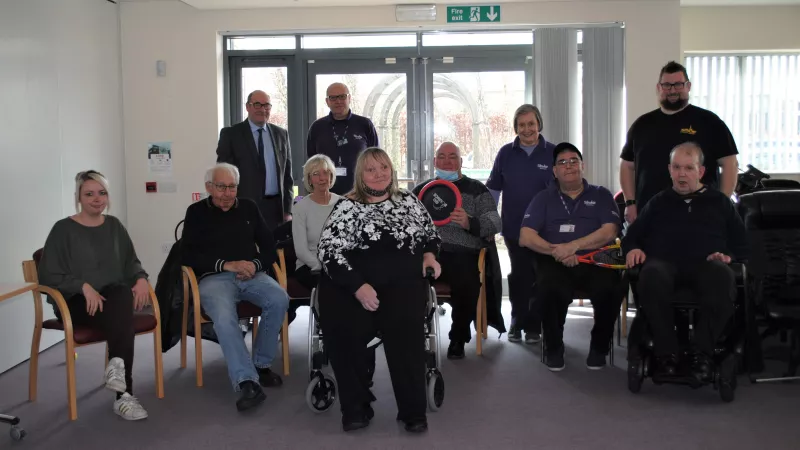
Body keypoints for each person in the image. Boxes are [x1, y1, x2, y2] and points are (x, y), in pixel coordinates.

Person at [317, 147, 441, 433]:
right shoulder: (347, 206)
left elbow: (430, 235)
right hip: (355, 285)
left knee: (406, 331)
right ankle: (356, 407)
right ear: (360, 174)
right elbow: (329, 251)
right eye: (370, 169)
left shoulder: (408, 200)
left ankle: (412, 410)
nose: (378, 174)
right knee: (344, 330)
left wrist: (429, 255)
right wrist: (358, 286)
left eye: (383, 167)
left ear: (391, 170)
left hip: (402, 285)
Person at [622, 142, 748, 379]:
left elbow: (742, 245)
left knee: (723, 275)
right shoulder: (658, 202)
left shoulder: (720, 203)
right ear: (669, 169)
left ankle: (701, 355)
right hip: (665, 266)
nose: (682, 174)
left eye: (689, 168)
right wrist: (633, 249)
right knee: (650, 274)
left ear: (700, 172)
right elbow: (632, 237)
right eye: (677, 167)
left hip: (707, 266)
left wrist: (728, 256)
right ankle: (666, 354)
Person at [38, 170, 149, 420]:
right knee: (122, 318)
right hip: (74, 302)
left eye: (102, 193)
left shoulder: (114, 226)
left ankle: (118, 378)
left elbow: (131, 262)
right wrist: (83, 286)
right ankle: (124, 396)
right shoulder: (62, 229)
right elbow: (47, 275)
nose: (97, 199)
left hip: (111, 300)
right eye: (89, 194)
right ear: (78, 197)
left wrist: (141, 278)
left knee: (121, 294)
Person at [181, 163, 290, 412]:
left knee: (280, 299)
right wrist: (225, 265)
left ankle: (261, 365)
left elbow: (270, 247)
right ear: (209, 187)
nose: (227, 194)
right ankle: (246, 381)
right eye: (221, 187)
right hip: (214, 278)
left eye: (232, 187)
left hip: (251, 274)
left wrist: (254, 264)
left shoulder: (249, 207)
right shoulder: (196, 212)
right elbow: (187, 255)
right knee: (224, 315)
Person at [519, 143, 624, 371]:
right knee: (548, 288)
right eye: (562, 162)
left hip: (594, 260)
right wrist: (557, 251)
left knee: (612, 287)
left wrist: (574, 246)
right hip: (554, 260)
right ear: (554, 171)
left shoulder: (601, 194)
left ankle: (599, 347)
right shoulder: (543, 198)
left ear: (582, 165)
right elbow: (526, 236)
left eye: (574, 160)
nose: (569, 166)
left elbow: (610, 231)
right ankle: (554, 348)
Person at [620, 61, 739, 224]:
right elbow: (627, 166)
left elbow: (729, 163)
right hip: (650, 215)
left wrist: (722, 203)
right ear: (658, 87)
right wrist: (630, 203)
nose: (672, 90)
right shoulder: (642, 124)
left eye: (678, 84)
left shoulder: (709, 122)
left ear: (688, 86)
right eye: (667, 85)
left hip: (700, 215)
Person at [412, 142, 501, 359]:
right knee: (406, 280)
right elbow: (405, 222)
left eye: (453, 157)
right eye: (441, 156)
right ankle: (415, 336)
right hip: (426, 253)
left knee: (468, 283)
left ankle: (458, 338)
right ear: (435, 162)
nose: (447, 161)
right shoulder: (421, 190)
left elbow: (495, 223)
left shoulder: (477, 189)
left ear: (461, 162)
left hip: (463, 252)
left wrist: (470, 223)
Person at [486, 104, 555, 344]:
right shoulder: (505, 153)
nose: (527, 129)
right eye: (522, 125)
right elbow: (493, 190)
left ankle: (534, 325)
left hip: (546, 232)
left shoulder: (553, 153)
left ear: (539, 125)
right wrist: (487, 220)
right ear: (516, 127)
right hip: (514, 227)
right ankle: (517, 320)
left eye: (531, 124)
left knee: (542, 277)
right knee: (519, 276)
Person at [216, 90, 294, 230]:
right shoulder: (231, 134)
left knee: (273, 250)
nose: (262, 109)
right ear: (247, 106)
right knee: (245, 250)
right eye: (257, 104)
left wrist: (288, 210)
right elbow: (223, 174)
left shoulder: (281, 134)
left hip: (275, 210)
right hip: (242, 208)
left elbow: (287, 176)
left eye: (267, 105)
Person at [306, 82, 379, 195]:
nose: (338, 101)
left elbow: (375, 159)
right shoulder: (317, 127)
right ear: (327, 101)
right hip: (326, 194)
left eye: (342, 96)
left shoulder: (365, 124)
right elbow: (311, 163)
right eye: (333, 98)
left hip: (360, 192)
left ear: (349, 98)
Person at [292, 154, 341, 290]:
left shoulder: (343, 204)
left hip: (339, 263)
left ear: (331, 176)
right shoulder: (300, 208)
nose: (321, 178)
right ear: (309, 179)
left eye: (325, 173)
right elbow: (301, 251)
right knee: (332, 285)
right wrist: (321, 265)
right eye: (315, 174)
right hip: (310, 266)